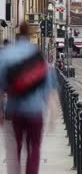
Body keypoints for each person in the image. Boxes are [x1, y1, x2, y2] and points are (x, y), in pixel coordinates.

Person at [0, 22, 58, 174]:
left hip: (15, 110)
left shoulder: (6, 54)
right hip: (35, 110)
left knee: (16, 147)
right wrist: (53, 114)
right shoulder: (38, 55)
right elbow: (48, 89)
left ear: (18, 34)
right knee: (34, 148)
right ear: (31, 35)